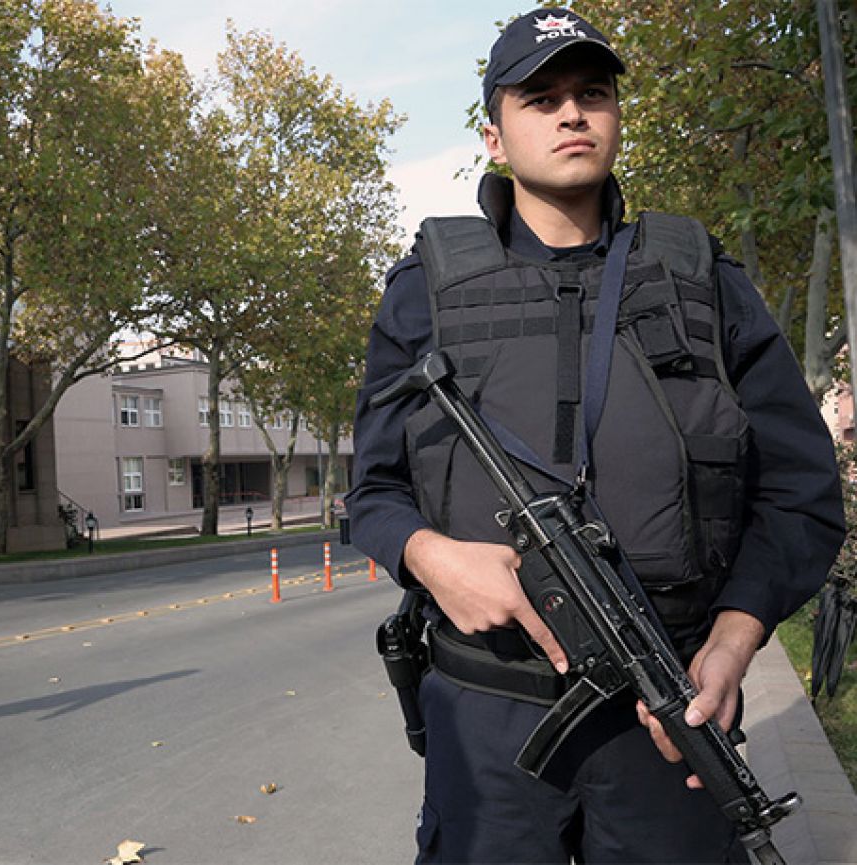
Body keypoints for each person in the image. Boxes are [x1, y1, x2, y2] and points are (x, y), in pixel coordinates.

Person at [346, 9, 846, 864]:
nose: (570, 113)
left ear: (615, 116)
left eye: (591, 93)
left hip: (668, 712)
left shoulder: (699, 275)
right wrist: (431, 557)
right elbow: (371, 494)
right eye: (539, 98)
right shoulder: (425, 288)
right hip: (486, 717)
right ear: (494, 135)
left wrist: (734, 638)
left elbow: (799, 491)